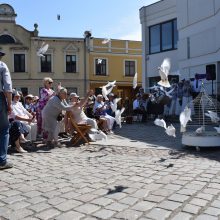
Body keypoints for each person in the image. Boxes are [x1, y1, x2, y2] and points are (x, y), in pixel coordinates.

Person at [0, 51, 13, 170]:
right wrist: (9, 104)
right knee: (4, 129)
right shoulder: (2, 65)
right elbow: (7, 87)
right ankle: (2, 161)